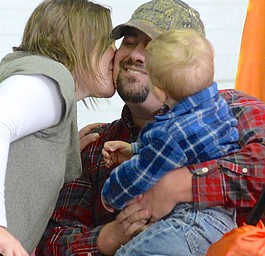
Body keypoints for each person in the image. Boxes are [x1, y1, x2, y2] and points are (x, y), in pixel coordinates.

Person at [35, 0, 265, 255]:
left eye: (154, 48)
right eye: (130, 42)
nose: (135, 54)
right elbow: (49, 241)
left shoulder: (230, 107)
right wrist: (110, 236)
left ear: (190, 65)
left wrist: (181, 185)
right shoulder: (96, 146)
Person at [0, 0, 115, 255]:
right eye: (107, 41)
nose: (115, 51)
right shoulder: (50, 77)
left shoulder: (27, 76)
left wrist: (61, 153)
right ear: (80, 42)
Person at [101, 28, 240, 255]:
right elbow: (184, 148)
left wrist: (111, 194)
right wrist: (135, 148)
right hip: (223, 221)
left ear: (160, 91)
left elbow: (141, 172)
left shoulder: (171, 136)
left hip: (191, 224)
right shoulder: (216, 105)